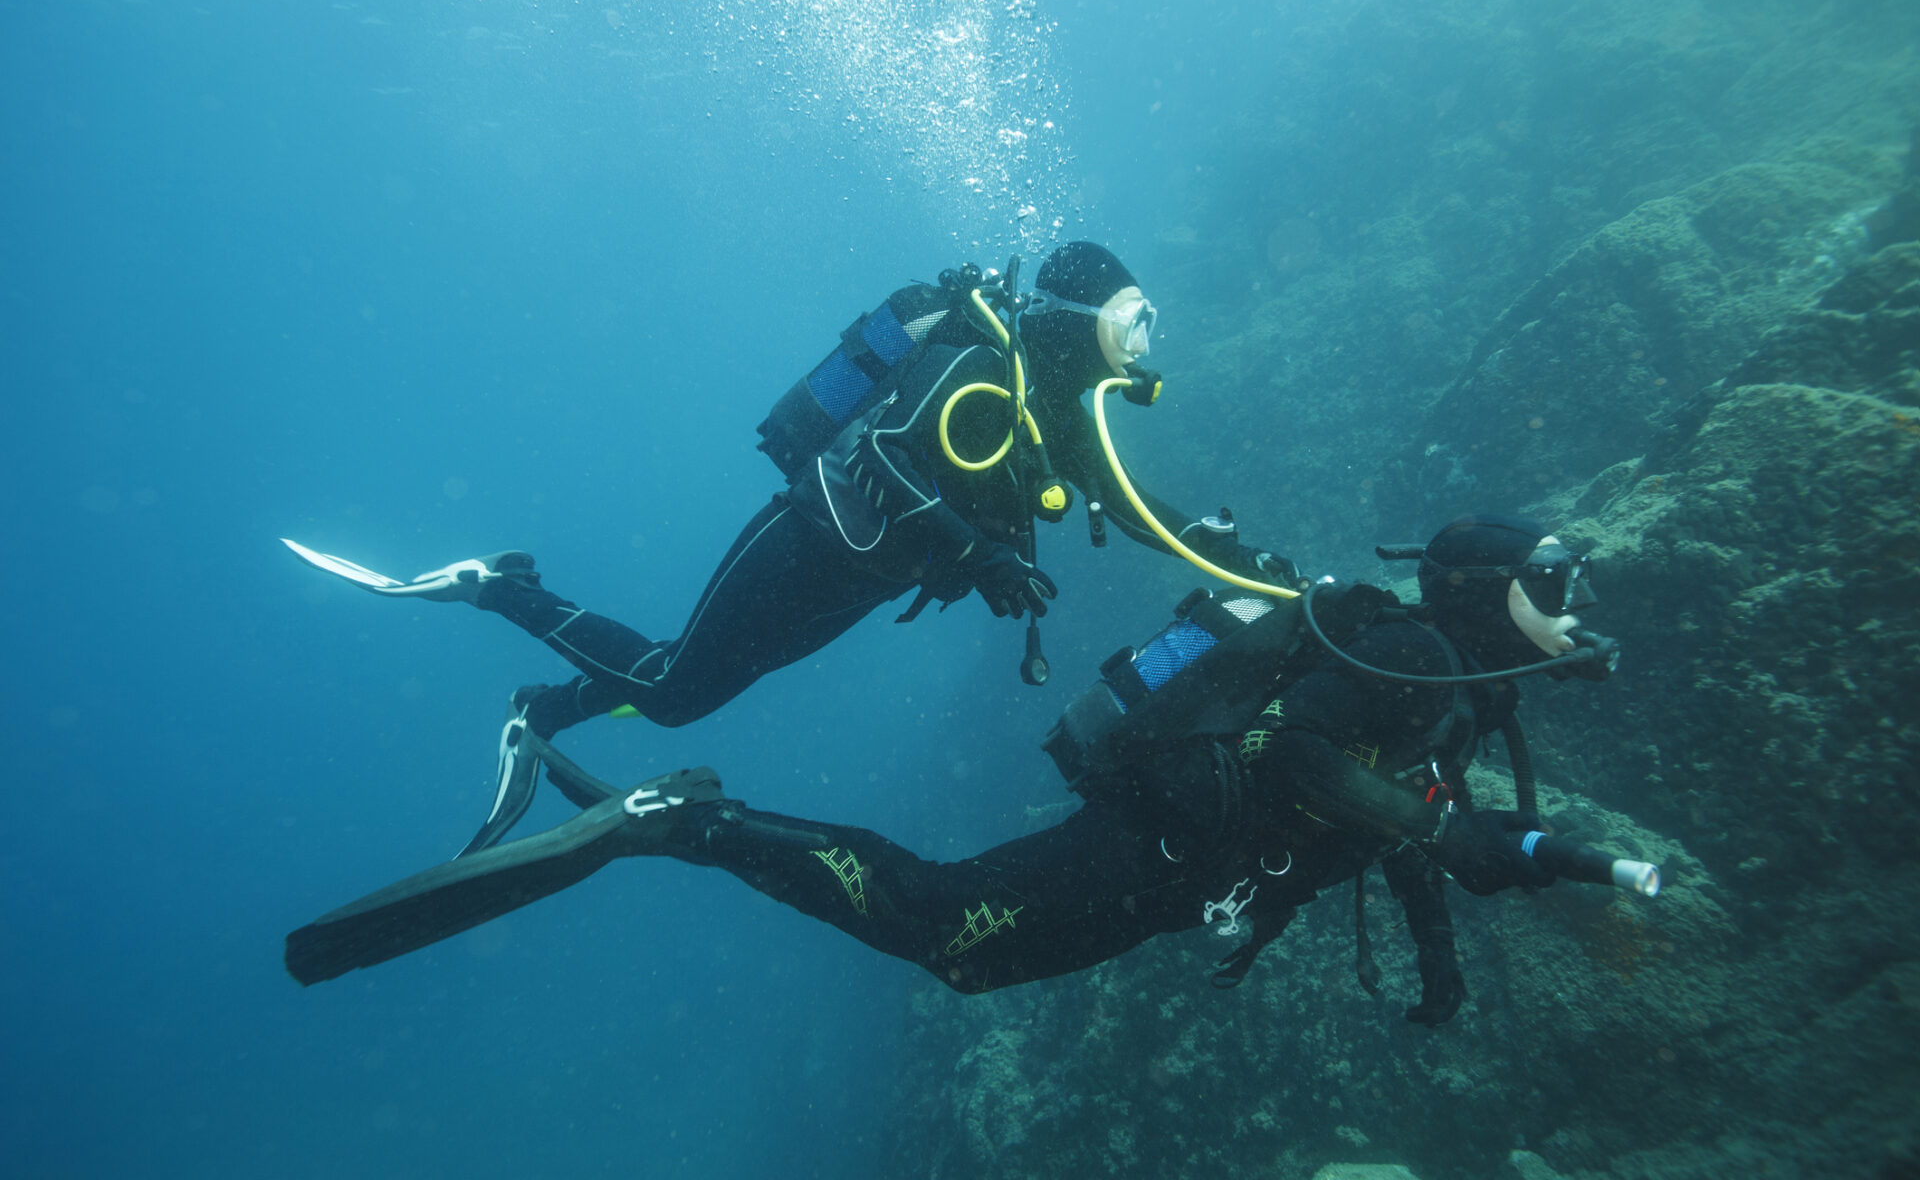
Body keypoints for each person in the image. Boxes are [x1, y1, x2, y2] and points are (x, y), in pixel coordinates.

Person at [287, 513, 1650, 1021]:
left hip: (1184, 878)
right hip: (1158, 853)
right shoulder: (1411, 646)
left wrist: (1443, 971)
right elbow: (1312, 757)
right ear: (1484, 590)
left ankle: (689, 813)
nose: (1570, 598)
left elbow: (1421, 826)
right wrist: (1457, 853)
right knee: (942, 926)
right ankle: (680, 820)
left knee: (966, 955)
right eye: (1555, 578)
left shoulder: (1451, 698)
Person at [286, 242, 1295, 856]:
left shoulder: (1057, 406)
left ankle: (548, 706)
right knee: (679, 684)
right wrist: (978, 555)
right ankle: (502, 588)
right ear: (1084, 315)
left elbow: (1132, 503)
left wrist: (1228, 557)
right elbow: (892, 465)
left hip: (859, 580)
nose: (1145, 339)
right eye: (1135, 319)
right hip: (808, 538)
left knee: (695, 688)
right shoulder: (984, 365)